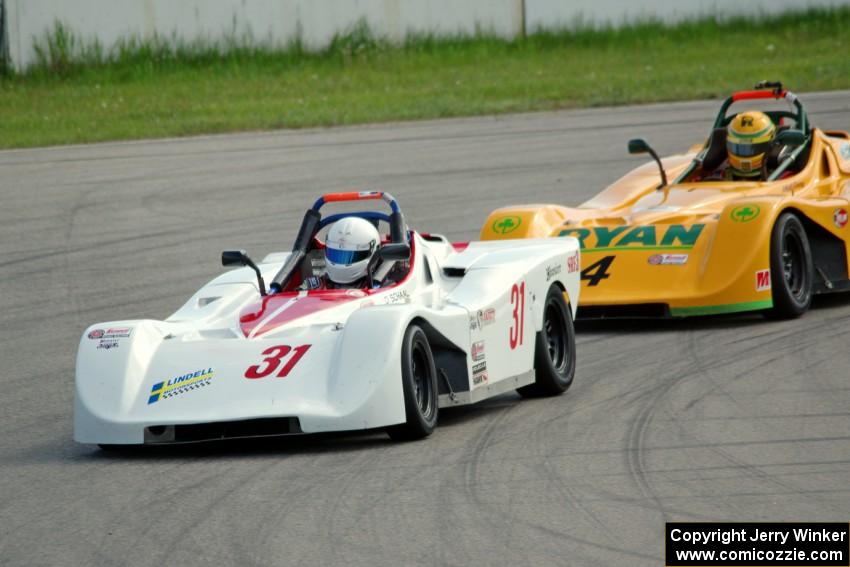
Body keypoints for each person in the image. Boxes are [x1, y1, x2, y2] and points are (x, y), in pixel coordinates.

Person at [303, 217, 380, 290]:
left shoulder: (382, 287)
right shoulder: (314, 286)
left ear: (374, 253)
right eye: (335, 254)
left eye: (350, 256)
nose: (341, 263)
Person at [724, 110, 777, 180]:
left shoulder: (783, 174)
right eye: (740, 148)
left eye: (755, 148)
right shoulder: (720, 172)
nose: (746, 154)